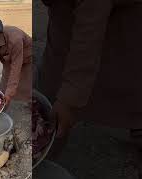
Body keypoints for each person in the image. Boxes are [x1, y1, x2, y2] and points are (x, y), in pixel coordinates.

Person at [37, 0, 142, 159]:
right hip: (68, 14)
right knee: (52, 85)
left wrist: (69, 100)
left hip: (123, 19)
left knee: (127, 72)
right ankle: (44, 145)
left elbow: (89, 27)